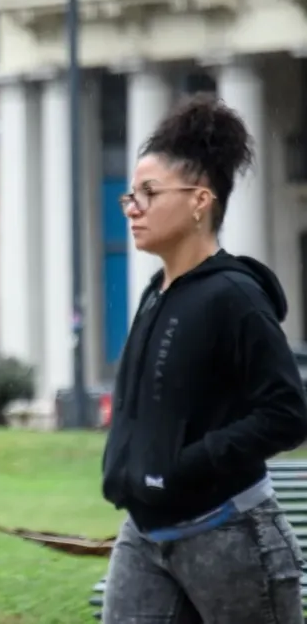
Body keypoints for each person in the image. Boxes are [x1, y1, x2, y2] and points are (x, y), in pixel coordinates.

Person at [101, 94, 307, 623]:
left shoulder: (234, 297)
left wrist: (187, 466)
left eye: (149, 193)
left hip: (231, 537)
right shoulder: (155, 293)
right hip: (144, 537)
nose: (132, 207)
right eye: (131, 195)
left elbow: (287, 413)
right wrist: (126, 472)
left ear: (199, 201)